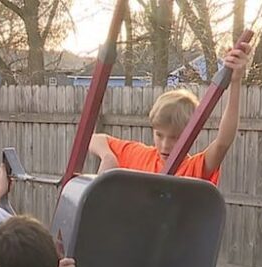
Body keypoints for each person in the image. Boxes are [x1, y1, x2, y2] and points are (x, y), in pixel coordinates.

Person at [88, 41, 252, 185]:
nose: (165, 145)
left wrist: (236, 81)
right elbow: (93, 139)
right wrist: (108, 157)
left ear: (189, 136)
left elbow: (223, 142)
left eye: (174, 138)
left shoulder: (194, 169)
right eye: (159, 135)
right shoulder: (140, 156)